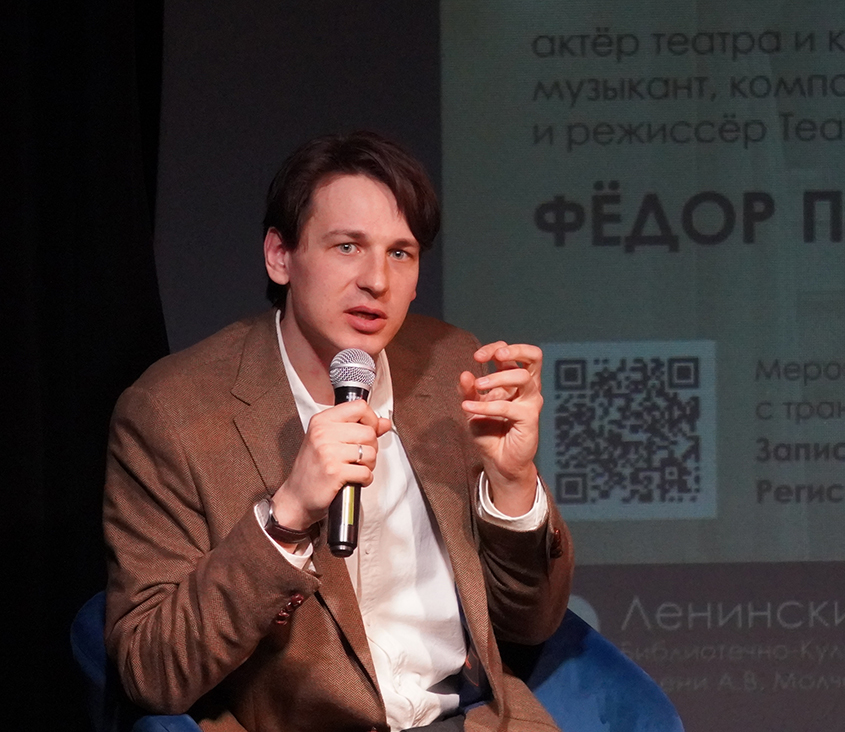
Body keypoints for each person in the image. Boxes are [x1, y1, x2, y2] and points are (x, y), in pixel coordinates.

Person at [103, 131, 573, 732]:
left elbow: (529, 625)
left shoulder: (451, 366)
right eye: (348, 246)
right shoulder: (171, 413)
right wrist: (285, 518)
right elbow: (150, 671)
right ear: (280, 255)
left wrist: (511, 485)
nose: (377, 280)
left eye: (400, 253)